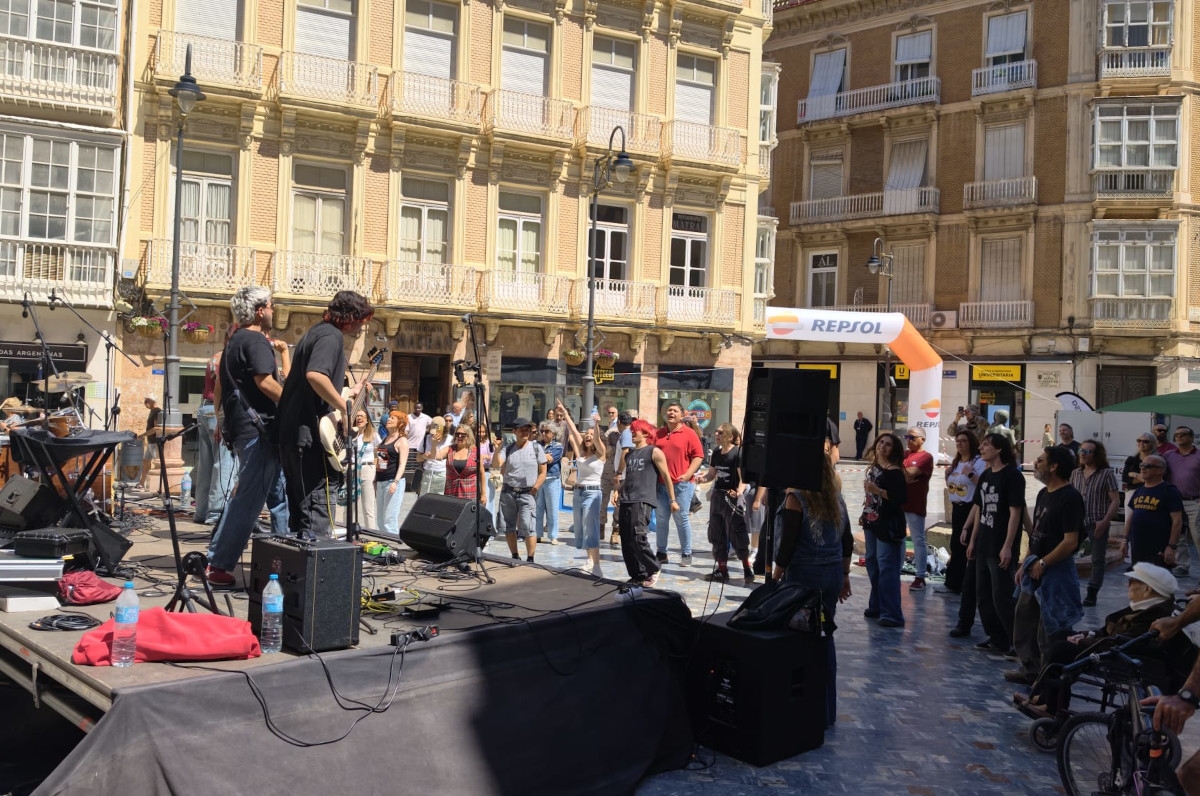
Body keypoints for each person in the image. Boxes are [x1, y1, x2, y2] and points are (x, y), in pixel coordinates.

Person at [205, 286, 291, 587]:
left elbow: (220, 389)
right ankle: (218, 563)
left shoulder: (233, 343)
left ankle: (287, 552)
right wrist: (293, 404)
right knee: (249, 500)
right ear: (259, 310)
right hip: (258, 431)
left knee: (276, 494)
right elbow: (265, 382)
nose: (273, 309)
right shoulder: (255, 340)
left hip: (245, 429)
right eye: (270, 305)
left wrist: (221, 420)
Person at [1027, 563, 1193, 718]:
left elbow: (1124, 641)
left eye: (1132, 581)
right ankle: (1044, 697)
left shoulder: (1155, 613)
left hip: (1122, 656)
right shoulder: (1147, 605)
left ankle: (1052, 707)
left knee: (1061, 650)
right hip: (1114, 648)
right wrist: (1088, 635)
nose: (1128, 585)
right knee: (1061, 635)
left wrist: (1084, 642)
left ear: (1147, 588)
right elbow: (1109, 631)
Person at [276, 290, 374, 539]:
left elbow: (317, 385)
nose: (362, 326)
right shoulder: (331, 337)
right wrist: (345, 406)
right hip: (309, 439)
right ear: (351, 317)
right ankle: (315, 573)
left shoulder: (316, 332)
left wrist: (350, 391)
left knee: (300, 511)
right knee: (317, 510)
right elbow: (315, 375)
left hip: (295, 435)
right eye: (361, 320)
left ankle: (297, 573)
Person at [772, 440, 853, 728]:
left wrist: (775, 576)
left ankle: (801, 708)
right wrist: (844, 576)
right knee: (824, 636)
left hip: (805, 577)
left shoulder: (797, 498)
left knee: (799, 640)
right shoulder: (835, 497)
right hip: (831, 574)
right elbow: (848, 540)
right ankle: (825, 710)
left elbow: (788, 544)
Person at [1005, 446, 1085, 685]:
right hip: (1035, 567)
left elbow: (1070, 541)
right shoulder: (1042, 494)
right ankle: (1029, 669)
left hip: (1056, 571)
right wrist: (1025, 562)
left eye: (1040, 460)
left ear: (1054, 466)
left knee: (1050, 627)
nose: (1035, 463)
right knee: (1024, 619)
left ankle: (1048, 678)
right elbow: (1037, 534)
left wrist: (1044, 562)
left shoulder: (1070, 497)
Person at [964, 433, 1027, 654]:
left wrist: (1008, 545)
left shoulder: (1012, 476)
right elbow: (980, 508)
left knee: (1002, 596)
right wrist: (972, 538)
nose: (981, 447)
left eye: (986, 444)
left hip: (1000, 544)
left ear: (999, 449)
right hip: (983, 544)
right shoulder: (985, 476)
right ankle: (996, 637)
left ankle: (1015, 641)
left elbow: (1015, 512)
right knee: (983, 596)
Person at [617, 419, 675, 588]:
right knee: (626, 540)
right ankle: (637, 575)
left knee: (638, 537)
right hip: (627, 499)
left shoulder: (654, 452)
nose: (632, 433)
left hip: (643, 500)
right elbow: (630, 478)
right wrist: (618, 490)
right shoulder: (630, 455)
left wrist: (672, 499)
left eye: (636, 430)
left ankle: (653, 567)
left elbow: (666, 476)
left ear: (646, 433)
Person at [860, 432, 907, 627]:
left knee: (887, 567)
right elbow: (871, 497)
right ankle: (877, 604)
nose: (883, 447)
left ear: (894, 450)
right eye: (881, 442)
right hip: (872, 521)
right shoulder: (875, 468)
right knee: (873, 564)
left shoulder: (895, 472)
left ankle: (892, 613)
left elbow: (899, 498)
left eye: (888, 444)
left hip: (888, 524)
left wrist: (877, 491)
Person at [697, 423, 752, 586]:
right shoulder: (716, 452)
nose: (716, 434)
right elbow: (712, 474)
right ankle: (722, 570)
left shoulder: (738, 453)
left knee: (737, 532)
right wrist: (703, 478)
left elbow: (744, 478)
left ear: (730, 436)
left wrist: (739, 492)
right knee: (717, 533)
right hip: (718, 497)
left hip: (732, 497)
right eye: (716, 431)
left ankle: (747, 568)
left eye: (721, 432)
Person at [193, 330, 238, 525]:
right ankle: (216, 514)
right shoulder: (227, 359)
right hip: (218, 410)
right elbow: (224, 387)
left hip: (205, 409)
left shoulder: (215, 357)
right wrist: (223, 418)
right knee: (223, 464)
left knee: (206, 465)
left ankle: (201, 512)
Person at [946, 431, 987, 636]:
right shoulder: (955, 462)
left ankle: (963, 582)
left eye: (963, 441)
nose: (960, 444)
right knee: (956, 544)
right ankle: (953, 581)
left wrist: (971, 473)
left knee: (965, 544)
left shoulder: (977, 462)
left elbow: (982, 485)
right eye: (958, 441)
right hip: (957, 506)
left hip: (970, 506)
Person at [653, 402, 704, 566]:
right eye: (669, 410)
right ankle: (661, 552)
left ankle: (686, 553)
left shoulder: (689, 433)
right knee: (661, 519)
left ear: (682, 415)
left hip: (681, 485)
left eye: (675, 411)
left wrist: (688, 474)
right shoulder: (658, 433)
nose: (671, 413)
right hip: (660, 484)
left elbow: (698, 456)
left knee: (681, 518)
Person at [559, 402, 606, 577]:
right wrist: (565, 412)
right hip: (578, 492)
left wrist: (596, 425)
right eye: (587, 433)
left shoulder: (600, 454)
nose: (588, 436)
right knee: (581, 528)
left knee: (591, 527)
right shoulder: (581, 451)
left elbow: (597, 440)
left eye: (591, 435)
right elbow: (572, 429)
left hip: (592, 492)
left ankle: (597, 566)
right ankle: (589, 561)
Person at [1071, 440, 1120, 607]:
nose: (1083, 454)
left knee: (1097, 559)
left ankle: (1092, 592)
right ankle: (1069, 588)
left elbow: (1115, 500)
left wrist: (1105, 521)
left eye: (1087, 452)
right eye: (1081, 450)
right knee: (1066, 554)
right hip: (1077, 521)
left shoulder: (1106, 474)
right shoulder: (1075, 473)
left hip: (1096, 521)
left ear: (1096, 455)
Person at [496, 418, 546, 563]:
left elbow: (543, 472)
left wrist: (536, 487)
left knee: (528, 525)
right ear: (514, 431)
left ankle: (530, 558)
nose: (525, 432)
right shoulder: (508, 448)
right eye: (521, 430)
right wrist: (498, 448)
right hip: (508, 492)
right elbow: (497, 464)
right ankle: (515, 556)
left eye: (527, 430)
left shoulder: (536, 448)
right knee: (508, 526)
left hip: (527, 493)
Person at [1123, 454, 1184, 568]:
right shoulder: (1139, 490)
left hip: (1158, 549)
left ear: (1160, 471)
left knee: (1156, 582)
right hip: (1138, 546)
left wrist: (1171, 546)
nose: (1142, 468)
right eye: (1142, 465)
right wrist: (1125, 540)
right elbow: (1131, 517)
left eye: (1148, 465)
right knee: (1139, 581)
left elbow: (1177, 521)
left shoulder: (1169, 491)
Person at [1164, 426, 1200, 577]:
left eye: (1183, 434)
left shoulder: (1199, 455)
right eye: (1176, 435)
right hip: (1174, 502)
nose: (1179, 437)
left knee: (1198, 536)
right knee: (1178, 535)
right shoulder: (1168, 455)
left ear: (1191, 437)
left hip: (1194, 502)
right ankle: (1182, 566)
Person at [901, 427, 934, 591]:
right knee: (898, 538)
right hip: (899, 503)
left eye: (912, 437)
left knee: (917, 540)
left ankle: (920, 576)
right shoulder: (905, 455)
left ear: (922, 439)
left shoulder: (926, 457)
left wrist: (901, 476)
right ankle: (897, 570)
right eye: (907, 436)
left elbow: (907, 474)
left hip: (915, 504)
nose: (908, 440)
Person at [600, 410, 634, 548]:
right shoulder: (621, 433)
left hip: (622, 475)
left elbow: (625, 452)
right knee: (612, 501)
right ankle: (604, 528)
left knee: (618, 504)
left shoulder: (626, 433)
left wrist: (619, 472)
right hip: (613, 472)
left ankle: (616, 532)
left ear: (619, 421)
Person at [374, 410, 409, 536]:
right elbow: (381, 462)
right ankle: (384, 545)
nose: (388, 419)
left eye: (392, 418)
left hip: (392, 481)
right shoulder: (385, 439)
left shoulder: (402, 440)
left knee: (389, 519)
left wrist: (395, 482)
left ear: (400, 423)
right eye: (389, 418)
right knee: (380, 520)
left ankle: (393, 547)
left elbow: (402, 464)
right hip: (381, 481)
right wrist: (375, 479)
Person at [534, 421, 564, 545]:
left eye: (547, 431)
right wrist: (544, 456)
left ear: (554, 433)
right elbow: (535, 458)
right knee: (538, 508)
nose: (544, 434)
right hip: (538, 479)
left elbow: (551, 460)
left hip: (552, 479)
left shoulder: (558, 446)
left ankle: (553, 535)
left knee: (552, 509)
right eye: (542, 431)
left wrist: (541, 457)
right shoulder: (536, 445)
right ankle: (537, 534)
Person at [349, 410, 377, 531]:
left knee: (368, 506)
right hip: (352, 468)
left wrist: (374, 470)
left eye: (362, 416)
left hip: (367, 468)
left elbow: (378, 454)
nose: (359, 418)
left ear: (367, 420)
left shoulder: (373, 435)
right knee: (350, 505)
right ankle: (348, 531)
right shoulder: (350, 434)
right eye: (357, 416)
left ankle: (371, 533)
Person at [439, 424, 480, 500]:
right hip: (451, 493)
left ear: (468, 436)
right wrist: (434, 443)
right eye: (457, 434)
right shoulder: (450, 449)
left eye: (463, 435)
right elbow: (436, 456)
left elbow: (482, 473)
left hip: (469, 493)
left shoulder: (475, 451)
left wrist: (483, 494)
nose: (459, 436)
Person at [416, 416, 450, 495]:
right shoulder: (426, 438)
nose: (435, 433)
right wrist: (423, 456)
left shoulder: (450, 440)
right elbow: (418, 458)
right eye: (433, 429)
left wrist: (434, 444)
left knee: (440, 500)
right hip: (427, 473)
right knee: (425, 500)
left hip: (443, 474)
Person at [136, 395, 163, 491]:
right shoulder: (152, 411)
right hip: (151, 442)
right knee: (146, 461)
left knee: (157, 463)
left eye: (146, 401)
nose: (145, 404)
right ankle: (141, 483)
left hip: (155, 442)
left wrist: (143, 435)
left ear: (152, 401)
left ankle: (156, 485)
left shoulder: (157, 411)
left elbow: (156, 428)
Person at [1123, 432, 1161, 500]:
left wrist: (1133, 474)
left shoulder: (1158, 460)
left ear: (1152, 444)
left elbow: (1157, 479)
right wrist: (1143, 478)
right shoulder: (1131, 459)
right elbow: (1125, 478)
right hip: (1132, 493)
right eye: (1139, 441)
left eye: (1145, 441)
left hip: (1152, 493)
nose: (1141, 443)